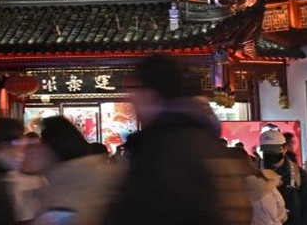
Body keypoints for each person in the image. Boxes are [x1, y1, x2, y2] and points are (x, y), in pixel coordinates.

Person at [104, 54, 250, 225]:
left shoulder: (161, 150)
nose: (131, 99)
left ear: (150, 93)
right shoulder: (206, 142)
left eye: (134, 90)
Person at [23, 116, 119, 225]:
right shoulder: (95, 173)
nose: (29, 151)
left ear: (52, 148)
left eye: (38, 145)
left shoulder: (64, 193)